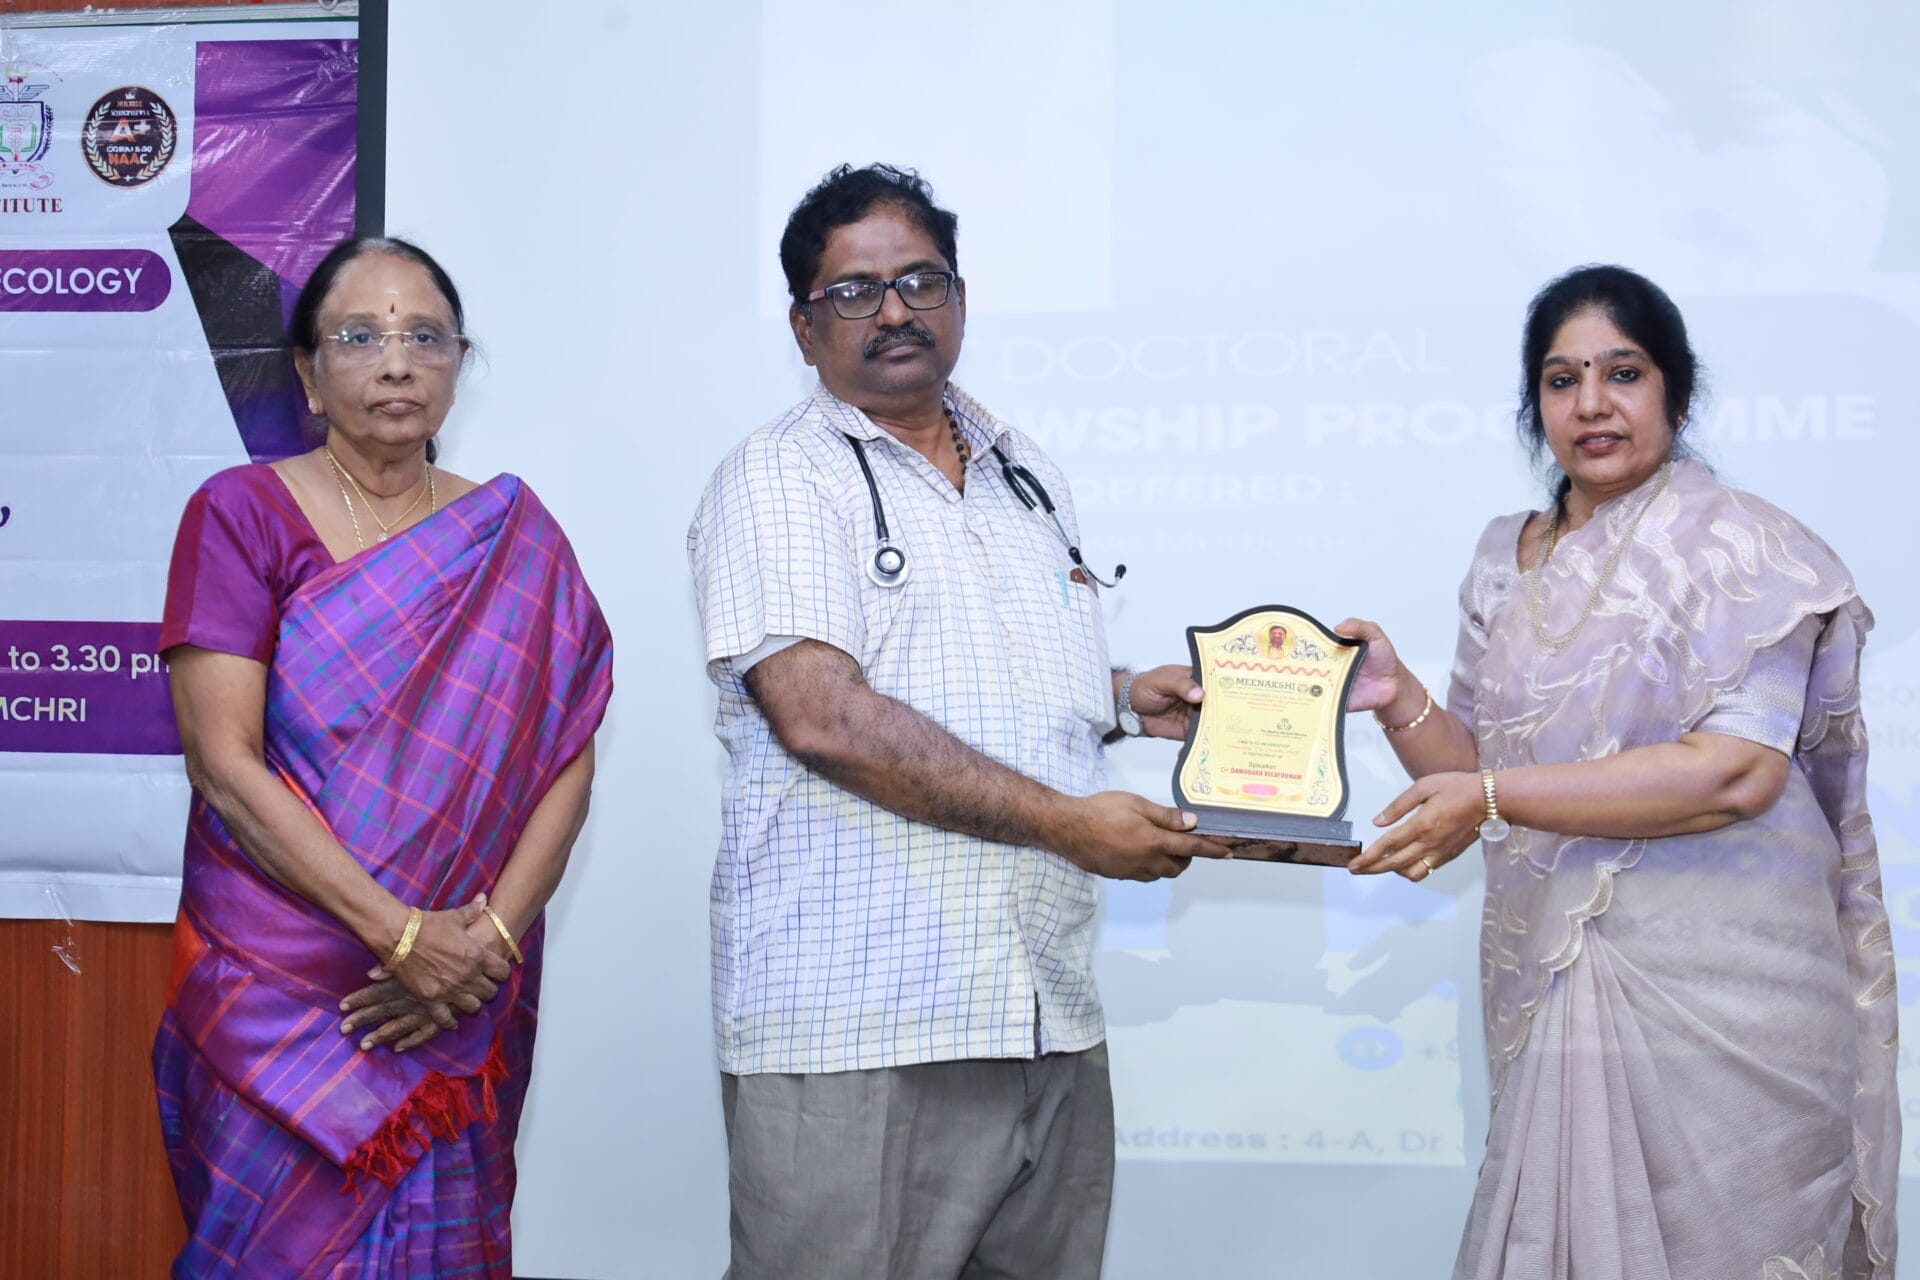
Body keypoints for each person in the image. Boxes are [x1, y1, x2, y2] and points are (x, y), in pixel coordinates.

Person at [687, 163, 1225, 1280]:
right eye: (854, 291)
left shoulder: (1028, 475)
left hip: (1043, 1015)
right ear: (803, 326)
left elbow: (973, 676)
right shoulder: (780, 477)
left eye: (921, 280)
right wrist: (1068, 823)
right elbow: (824, 717)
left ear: (961, 298)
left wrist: (1124, 699)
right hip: (861, 1027)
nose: (895, 310)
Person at [1340, 264, 1897, 1278]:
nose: (1592, 403)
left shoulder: (1750, 550)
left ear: (1676, 392)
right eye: (1562, 380)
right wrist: (1395, 694)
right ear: (1534, 407)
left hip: (1733, 1004)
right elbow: (1477, 774)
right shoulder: (1504, 559)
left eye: (1623, 372)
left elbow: (1735, 774)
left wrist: (1492, 794)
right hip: (1556, 977)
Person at [153, 236, 613, 1278]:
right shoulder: (240, 514)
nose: (397, 362)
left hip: (460, 987)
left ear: (458, 364)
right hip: (281, 986)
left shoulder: (515, 536)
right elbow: (224, 765)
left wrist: (480, 948)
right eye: (359, 336)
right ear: (309, 375)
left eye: (425, 337)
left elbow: (567, 758)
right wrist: (400, 936)